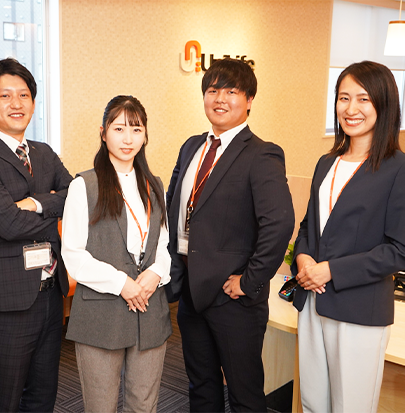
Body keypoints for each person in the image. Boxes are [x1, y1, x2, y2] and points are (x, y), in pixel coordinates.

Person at [166, 58, 294, 412]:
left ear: (250, 99)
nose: (219, 99)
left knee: (244, 394)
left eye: (231, 91)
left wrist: (249, 281)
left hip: (233, 298)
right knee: (201, 385)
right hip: (191, 290)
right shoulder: (192, 146)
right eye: (212, 90)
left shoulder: (261, 154)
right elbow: (174, 205)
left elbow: (279, 224)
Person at [0, 58, 73, 412]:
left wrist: (36, 205)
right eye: (5, 96)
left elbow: (76, 198)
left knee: (42, 395)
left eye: (24, 95)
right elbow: (7, 224)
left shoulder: (44, 152)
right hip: (8, 303)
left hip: (52, 294)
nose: (17, 103)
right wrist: (54, 207)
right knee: (4, 399)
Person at [292, 60, 405, 412]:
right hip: (313, 302)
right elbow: (309, 224)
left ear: (383, 105)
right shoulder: (328, 162)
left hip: (359, 308)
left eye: (363, 99)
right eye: (344, 98)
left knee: (350, 406)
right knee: (312, 401)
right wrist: (303, 257)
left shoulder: (398, 168)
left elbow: (398, 251)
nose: (351, 109)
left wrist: (331, 271)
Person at [61, 95, 172, 412]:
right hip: (101, 312)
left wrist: (154, 274)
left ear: (145, 135)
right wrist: (123, 282)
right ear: (103, 132)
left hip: (150, 308)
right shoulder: (85, 185)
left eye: (136, 130)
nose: (128, 138)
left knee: (144, 405)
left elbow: (163, 244)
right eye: (119, 128)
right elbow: (74, 254)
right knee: (101, 406)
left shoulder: (154, 185)